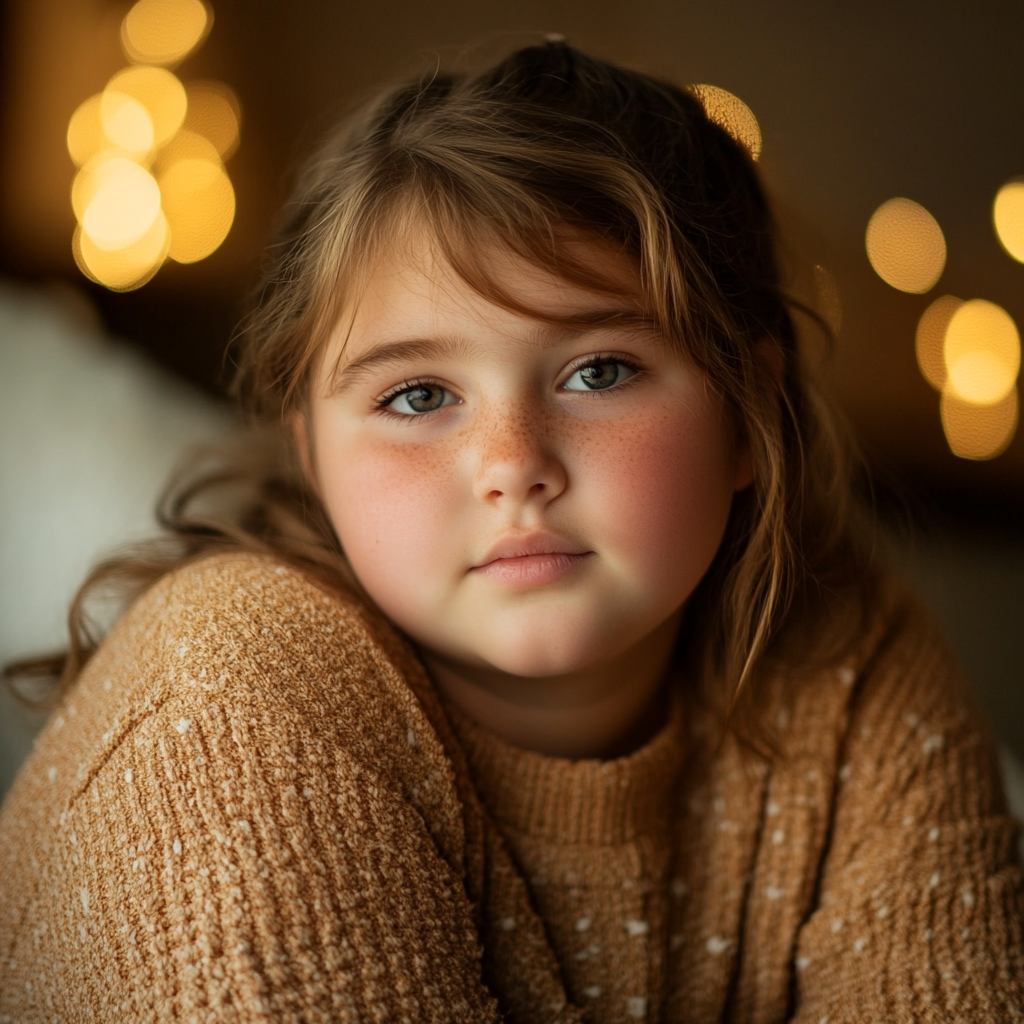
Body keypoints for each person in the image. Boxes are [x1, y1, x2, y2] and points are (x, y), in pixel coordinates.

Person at [1, 39, 1021, 1023]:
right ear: (311, 454)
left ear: (748, 416)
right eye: (417, 395)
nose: (511, 463)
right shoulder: (224, 693)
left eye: (598, 371)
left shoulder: (844, 654)